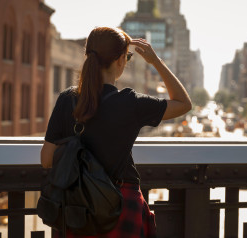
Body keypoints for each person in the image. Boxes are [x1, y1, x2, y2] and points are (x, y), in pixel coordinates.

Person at [40, 26, 191, 238]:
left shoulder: (67, 99)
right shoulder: (130, 103)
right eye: (127, 57)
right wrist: (155, 61)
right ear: (120, 60)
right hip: (121, 207)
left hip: (76, 210)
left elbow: (46, 159)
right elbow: (183, 103)